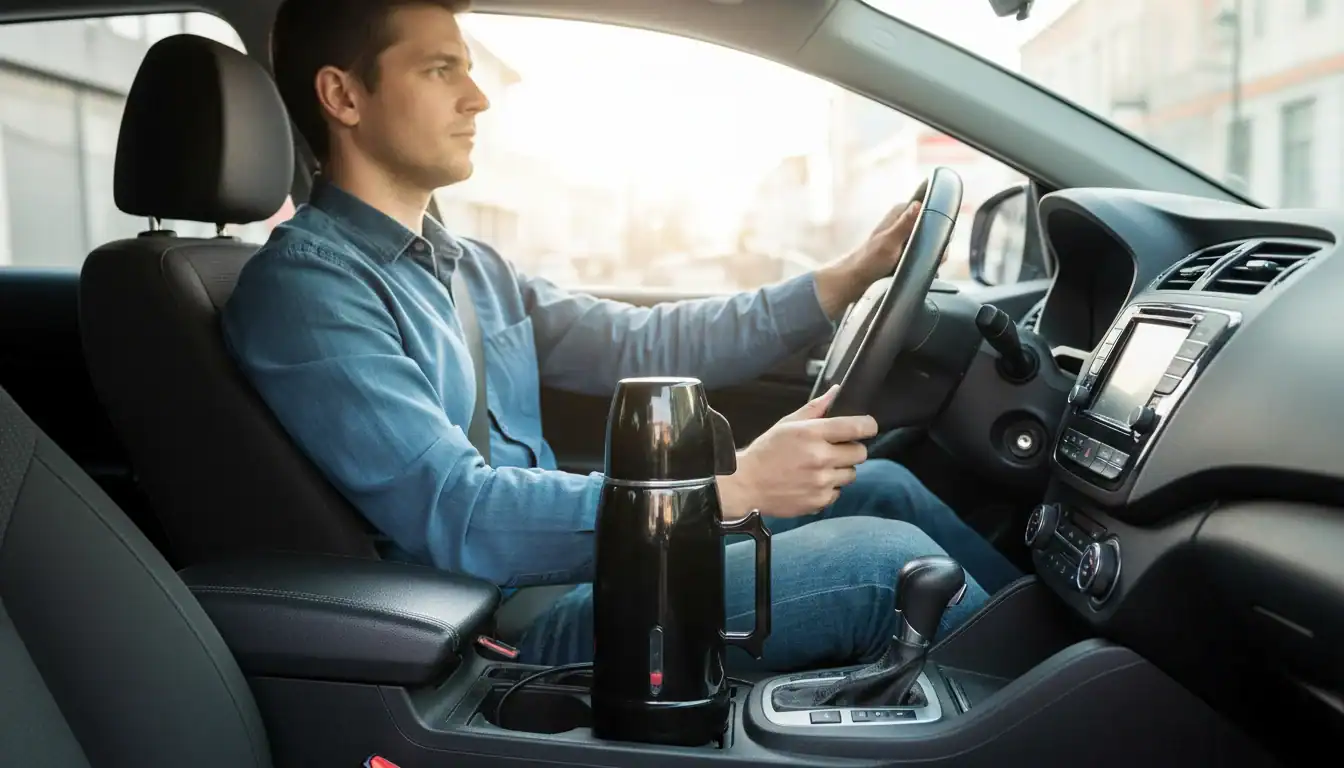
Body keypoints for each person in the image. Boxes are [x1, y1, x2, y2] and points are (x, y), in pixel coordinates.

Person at [223, 0, 1021, 674]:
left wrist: (838, 282)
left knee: (876, 489)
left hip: (572, 573)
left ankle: (1057, 663)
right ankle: (1069, 718)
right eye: (440, 70)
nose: (477, 97)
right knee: (886, 569)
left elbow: (642, 343)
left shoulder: (470, 267)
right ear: (344, 96)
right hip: (496, 628)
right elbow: (457, 512)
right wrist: (729, 490)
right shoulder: (310, 291)